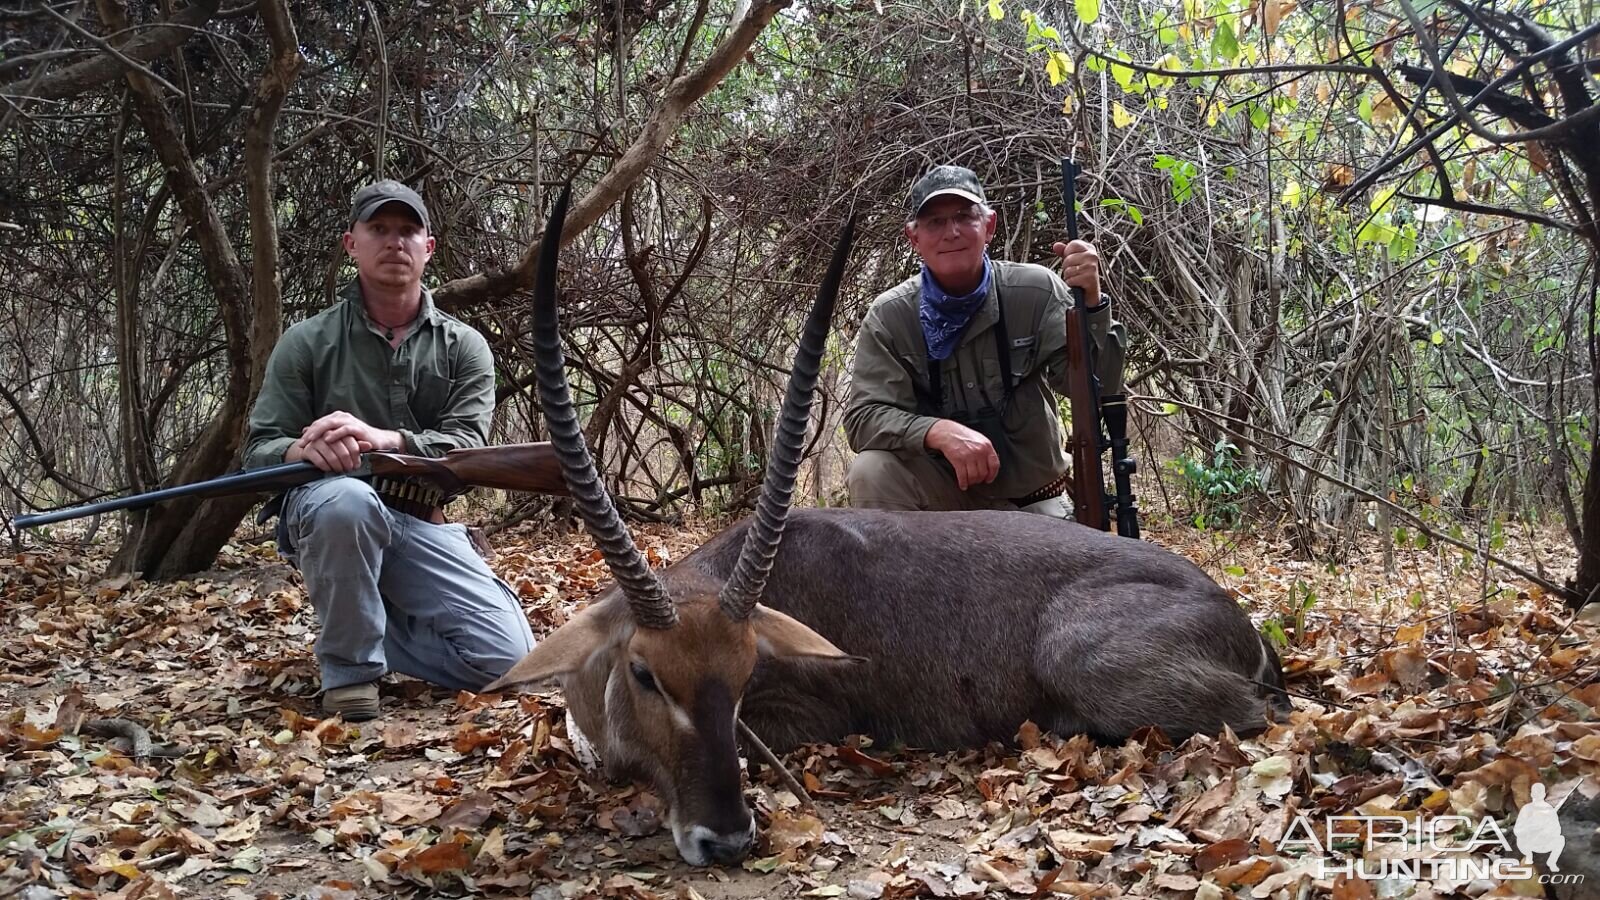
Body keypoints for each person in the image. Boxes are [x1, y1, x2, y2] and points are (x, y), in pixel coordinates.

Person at [242, 180, 535, 721]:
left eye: (408, 230)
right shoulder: (306, 342)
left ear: (429, 246)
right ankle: (351, 674)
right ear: (351, 243)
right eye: (379, 229)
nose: (394, 242)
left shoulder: (465, 346)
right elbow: (259, 451)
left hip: (418, 521)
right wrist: (302, 453)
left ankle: (362, 620)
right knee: (347, 503)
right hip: (330, 515)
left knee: (508, 661)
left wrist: (387, 441)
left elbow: (469, 446)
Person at [843, 164, 1126, 514]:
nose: (951, 232)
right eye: (935, 222)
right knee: (871, 471)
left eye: (965, 216)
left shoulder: (1035, 291)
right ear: (913, 238)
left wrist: (1093, 301)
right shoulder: (891, 316)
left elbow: (1100, 387)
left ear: (988, 226)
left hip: (1033, 500)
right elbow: (863, 418)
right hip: (946, 503)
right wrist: (937, 431)